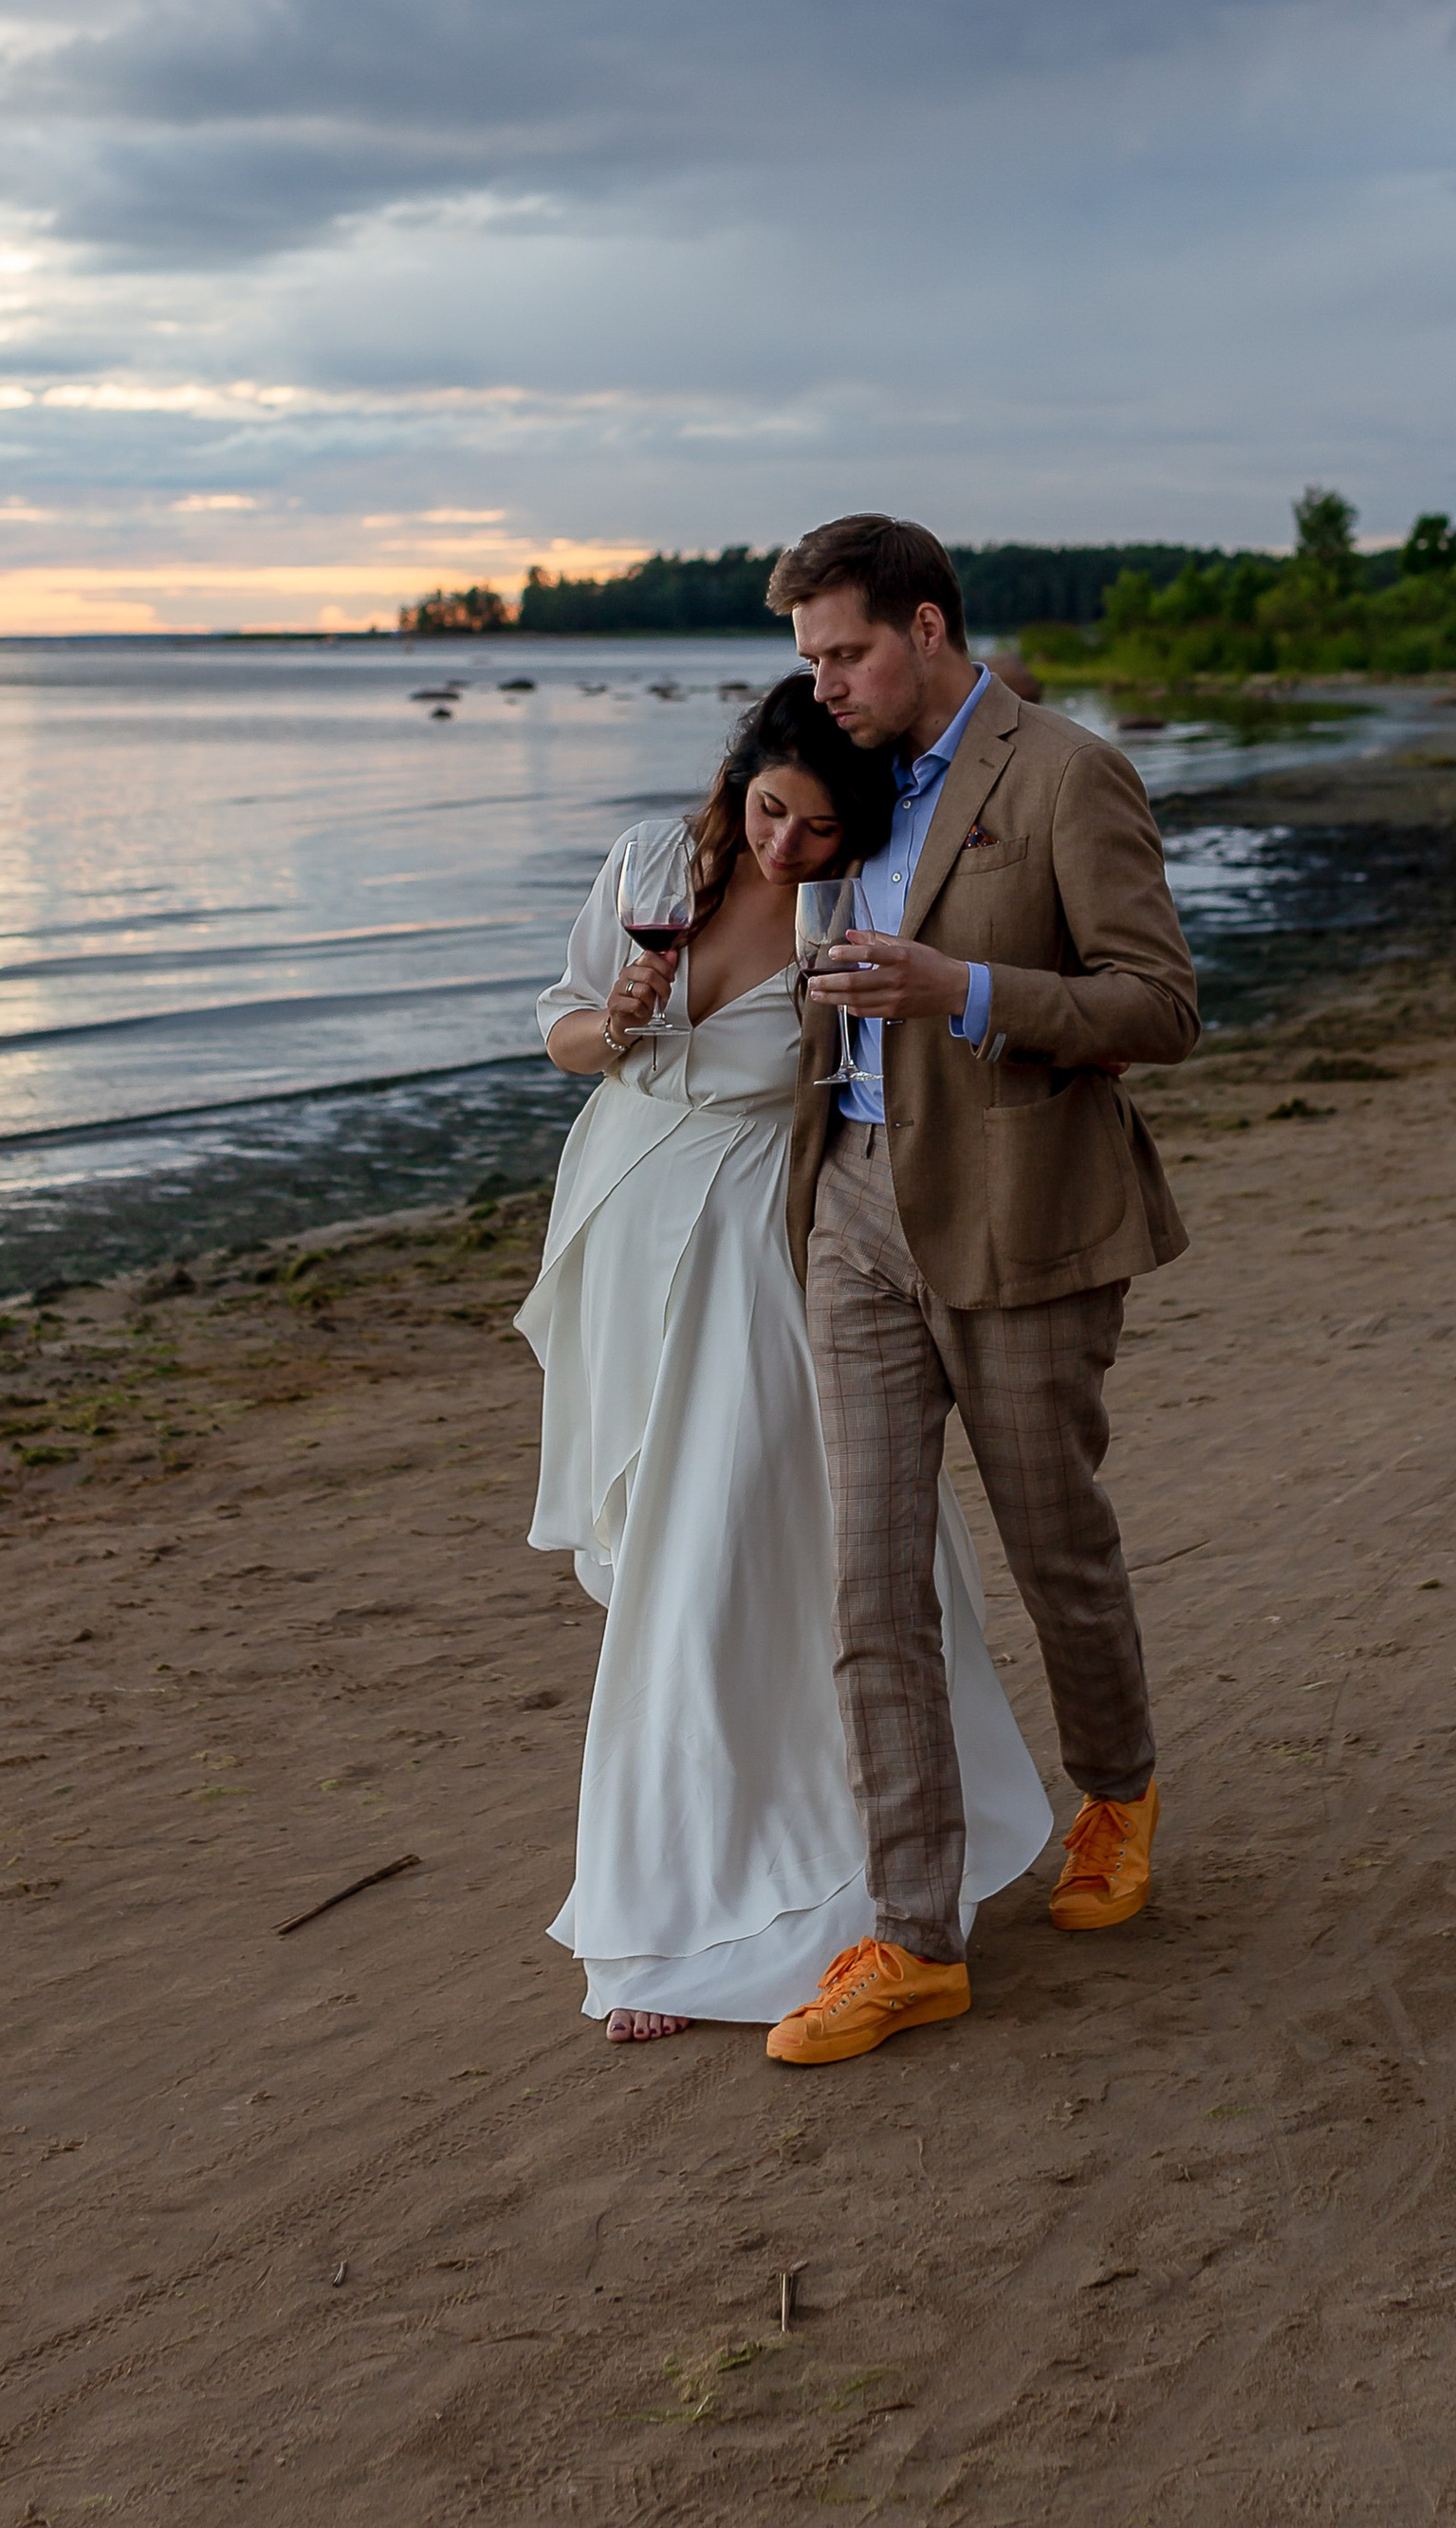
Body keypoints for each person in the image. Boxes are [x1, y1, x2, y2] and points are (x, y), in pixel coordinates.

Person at [518, 674, 1053, 2042]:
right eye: (768, 811)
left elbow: (910, 1081)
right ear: (735, 776)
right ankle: (711, 1877)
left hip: (762, 1259)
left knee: (736, 1573)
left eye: (818, 828)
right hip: (622, 1231)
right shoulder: (648, 860)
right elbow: (566, 1034)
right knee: (662, 1561)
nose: (784, 848)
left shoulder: (858, 900)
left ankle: (701, 1914)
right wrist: (623, 1017)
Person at [760, 516, 1201, 2068]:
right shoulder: (841, 772)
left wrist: (966, 994)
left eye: (847, 653)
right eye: (807, 659)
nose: (825, 686)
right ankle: (915, 1937)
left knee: (1052, 1547)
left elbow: (1160, 1007)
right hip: (857, 1210)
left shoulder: (1067, 772)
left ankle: (1117, 1792)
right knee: (867, 1581)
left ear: (930, 628)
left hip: (1025, 1220)